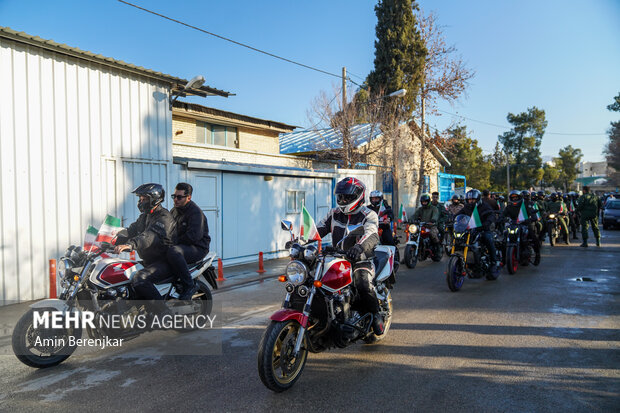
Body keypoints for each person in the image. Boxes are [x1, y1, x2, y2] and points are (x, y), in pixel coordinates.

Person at [316, 177, 384, 335]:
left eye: (347, 197)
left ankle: (376, 314)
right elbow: (318, 229)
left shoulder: (369, 215)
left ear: (358, 196)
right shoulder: (334, 213)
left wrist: (359, 247)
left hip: (361, 259)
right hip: (337, 259)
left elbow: (372, 234)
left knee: (362, 283)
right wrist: (300, 240)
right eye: (340, 196)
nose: (343, 200)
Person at [114, 183, 175, 313]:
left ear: (155, 198)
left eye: (144, 199)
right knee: (124, 273)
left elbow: (149, 236)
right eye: (140, 199)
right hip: (149, 260)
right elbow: (131, 230)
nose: (140, 202)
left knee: (140, 279)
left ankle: (163, 312)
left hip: (164, 261)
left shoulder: (164, 217)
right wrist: (112, 240)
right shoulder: (145, 216)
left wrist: (130, 245)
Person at [167, 182, 211, 300]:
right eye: (174, 196)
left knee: (174, 252)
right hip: (183, 245)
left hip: (198, 247)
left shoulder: (196, 213)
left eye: (179, 197)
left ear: (188, 197)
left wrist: (173, 242)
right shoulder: (173, 211)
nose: (176, 199)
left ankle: (188, 285)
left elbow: (193, 237)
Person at [460, 189, 500, 276]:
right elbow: (459, 214)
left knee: (488, 238)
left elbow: (491, 214)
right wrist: (453, 219)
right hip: (471, 230)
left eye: (473, 200)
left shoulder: (484, 206)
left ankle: (494, 262)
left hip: (483, 229)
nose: (471, 201)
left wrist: (487, 222)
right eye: (469, 200)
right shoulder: (466, 207)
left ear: (477, 199)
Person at [503, 190, 541, 261]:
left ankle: (537, 255)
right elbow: (503, 214)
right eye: (513, 198)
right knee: (504, 237)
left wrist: (532, 218)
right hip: (513, 225)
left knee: (533, 237)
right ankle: (503, 259)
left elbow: (533, 213)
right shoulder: (509, 206)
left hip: (525, 224)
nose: (514, 199)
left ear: (520, 197)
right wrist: (501, 218)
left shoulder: (527, 204)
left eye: (516, 197)